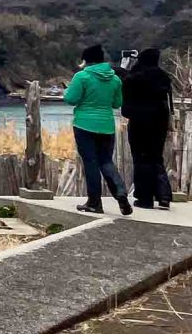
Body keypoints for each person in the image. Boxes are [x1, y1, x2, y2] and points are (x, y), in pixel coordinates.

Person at [62, 44, 132, 215]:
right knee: (106, 161)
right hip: (107, 126)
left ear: (86, 60)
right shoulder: (114, 79)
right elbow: (117, 103)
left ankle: (94, 203)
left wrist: (66, 92)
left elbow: (71, 98)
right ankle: (121, 193)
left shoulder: (82, 77)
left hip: (84, 125)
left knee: (91, 163)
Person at [120, 47, 173, 209]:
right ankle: (164, 196)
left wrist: (125, 65)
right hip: (160, 121)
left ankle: (145, 197)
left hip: (139, 121)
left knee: (141, 158)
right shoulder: (164, 77)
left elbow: (124, 86)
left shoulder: (135, 76)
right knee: (156, 157)